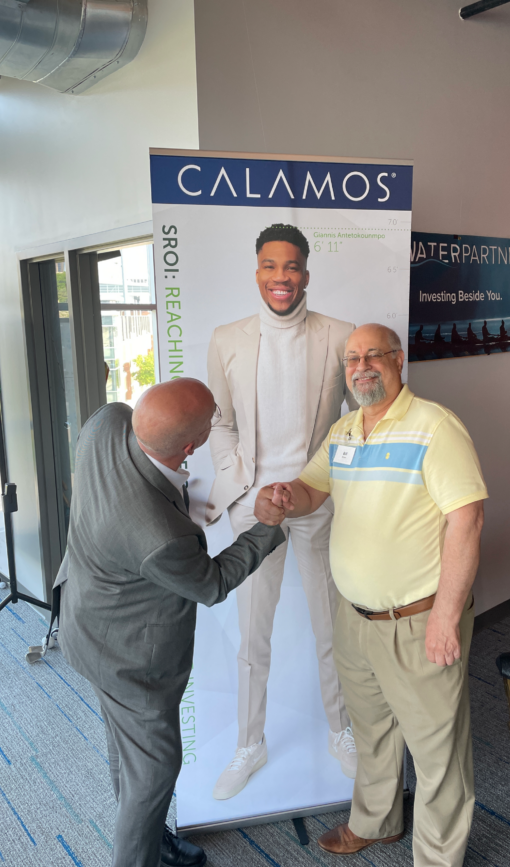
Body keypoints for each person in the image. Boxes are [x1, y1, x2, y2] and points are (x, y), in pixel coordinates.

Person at [255, 324, 487, 867]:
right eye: (352, 358)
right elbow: (312, 490)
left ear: (398, 360)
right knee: (373, 731)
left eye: (373, 355)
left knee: (437, 751)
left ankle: (437, 859)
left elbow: (468, 521)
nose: (361, 366)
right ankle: (377, 822)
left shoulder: (435, 427)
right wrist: (282, 499)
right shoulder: (344, 431)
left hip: (419, 619)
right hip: (355, 618)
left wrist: (446, 616)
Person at [53, 378, 285, 867]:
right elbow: (211, 583)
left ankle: (153, 840)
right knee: (155, 769)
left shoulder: (107, 422)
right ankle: (140, 853)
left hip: (85, 619)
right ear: (190, 447)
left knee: (128, 748)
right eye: (212, 418)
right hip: (128, 658)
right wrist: (266, 526)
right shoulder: (160, 536)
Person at [206, 223, 358, 800]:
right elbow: (221, 423)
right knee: (253, 636)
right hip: (255, 508)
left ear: (306, 274)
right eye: (270, 266)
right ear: (257, 273)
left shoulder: (340, 335)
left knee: (330, 625)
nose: (281, 277)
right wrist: (245, 485)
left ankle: (341, 731)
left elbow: (355, 424)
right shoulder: (227, 339)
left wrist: (320, 483)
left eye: (291, 266)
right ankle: (251, 743)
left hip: (316, 500)